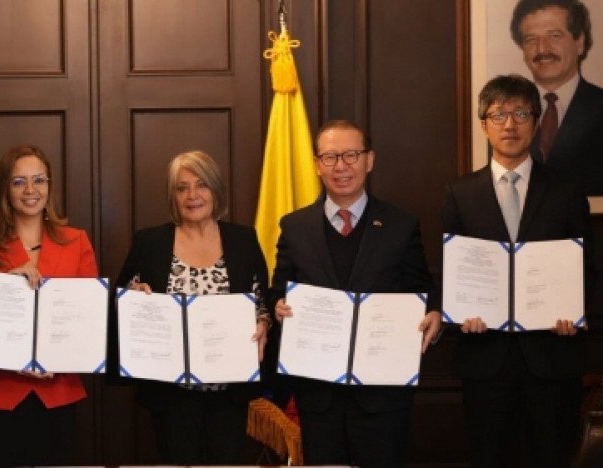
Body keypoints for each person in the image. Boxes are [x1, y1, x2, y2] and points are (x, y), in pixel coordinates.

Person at [270, 120, 442, 466]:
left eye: (351, 155)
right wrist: (277, 306)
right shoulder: (295, 226)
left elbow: (422, 291)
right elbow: (279, 289)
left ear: (369, 160)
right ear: (317, 165)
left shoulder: (401, 224)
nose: (341, 166)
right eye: (330, 157)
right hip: (319, 395)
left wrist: (434, 315)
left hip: (383, 396)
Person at [443, 74, 593, 467]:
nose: (509, 124)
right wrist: (460, 313)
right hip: (485, 359)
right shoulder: (460, 193)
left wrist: (576, 313)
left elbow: (587, 267)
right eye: (499, 115)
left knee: (553, 457)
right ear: (484, 125)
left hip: (552, 356)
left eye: (521, 114)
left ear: (536, 122)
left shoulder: (566, 189)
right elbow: (451, 271)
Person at [115, 150, 270, 465]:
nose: (192, 195)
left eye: (202, 185)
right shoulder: (150, 243)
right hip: (170, 395)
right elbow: (120, 301)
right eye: (182, 187)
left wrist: (264, 324)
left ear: (216, 189)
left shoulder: (243, 240)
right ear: (173, 196)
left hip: (229, 393)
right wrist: (133, 298)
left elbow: (261, 301)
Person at [0, 144, 98, 467]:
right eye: (19, 182)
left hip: (57, 393)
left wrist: (59, 360)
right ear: (5, 189)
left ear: (49, 185)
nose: (31, 190)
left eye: (39, 180)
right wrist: (2, 286)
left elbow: (88, 320)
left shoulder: (77, 241)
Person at [511, 0, 603, 194]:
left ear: (580, 43)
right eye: (531, 39)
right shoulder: (501, 114)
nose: (542, 49)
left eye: (554, 36)